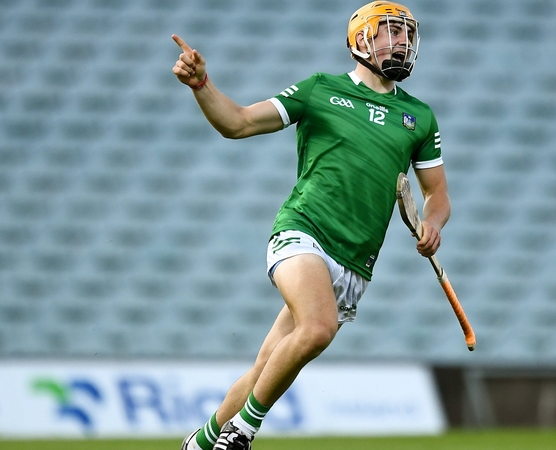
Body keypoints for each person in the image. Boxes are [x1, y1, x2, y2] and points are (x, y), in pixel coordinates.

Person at [171, 2, 450, 449]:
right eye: (389, 33)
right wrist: (201, 84)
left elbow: (437, 194)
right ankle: (241, 433)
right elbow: (238, 123)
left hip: (356, 261)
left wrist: (432, 224)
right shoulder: (321, 89)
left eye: (405, 35)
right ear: (360, 41)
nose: (400, 42)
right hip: (303, 231)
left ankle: (201, 443)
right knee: (317, 329)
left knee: (267, 365)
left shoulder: (419, 117)